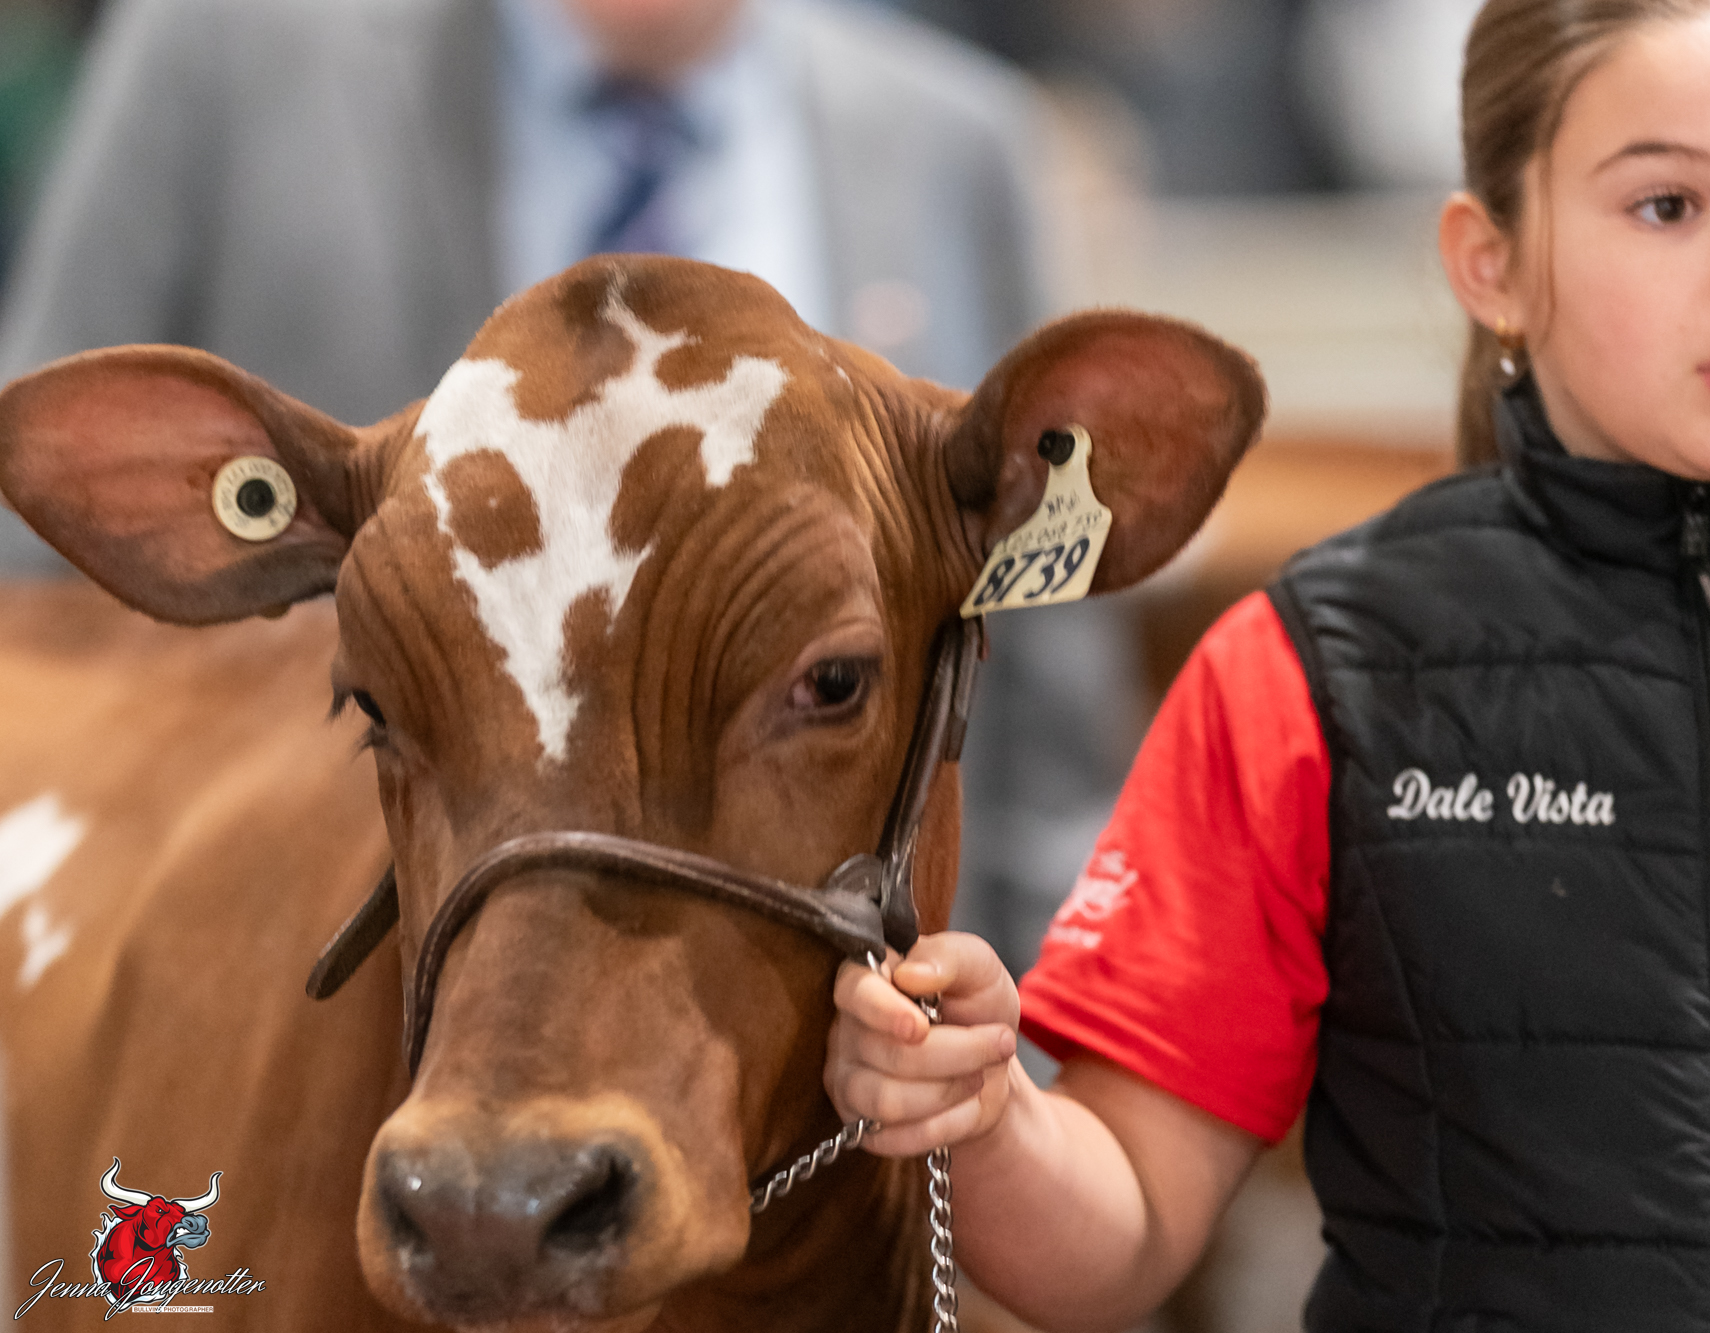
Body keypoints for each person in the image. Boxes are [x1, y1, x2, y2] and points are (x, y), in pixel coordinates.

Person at [827, 2, 1710, 1330]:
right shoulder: (1320, 668)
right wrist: (980, 1107)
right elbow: (1119, 1234)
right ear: (1491, 264)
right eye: (1667, 205)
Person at [0, 0, 1134, 965]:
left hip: (840, 1072)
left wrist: (1011, 1084)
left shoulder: (956, 146)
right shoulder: (223, 59)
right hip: (293, 1014)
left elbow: (1039, 722)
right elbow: (38, 562)